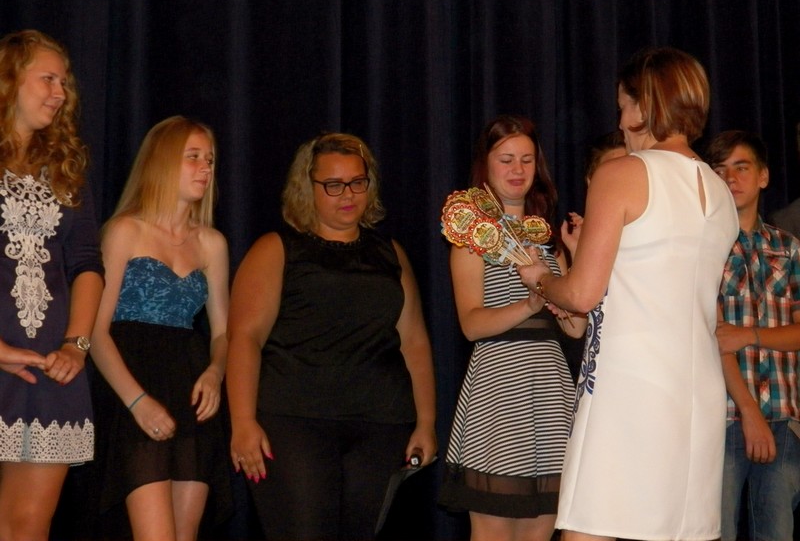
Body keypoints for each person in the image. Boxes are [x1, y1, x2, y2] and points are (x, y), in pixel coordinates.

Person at [518, 47, 739, 541]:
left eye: (624, 106)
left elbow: (581, 294)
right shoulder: (720, 190)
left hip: (629, 383)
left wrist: (540, 277)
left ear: (646, 104)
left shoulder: (622, 173)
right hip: (698, 390)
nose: (620, 122)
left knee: (590, 529)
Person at [226, 132, 437, 541]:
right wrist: (243, 422)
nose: (349, 194)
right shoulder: (277, 249)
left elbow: (414, 342)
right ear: (307, 187)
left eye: (358, 182)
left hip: (380, 423)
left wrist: (426, 422)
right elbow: (245, 338)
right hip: (294, 422)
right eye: (334, 185)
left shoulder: (389, 253)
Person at [438, 115, 587, 541]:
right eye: (506, 160)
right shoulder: (471, 241)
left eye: (526, 159)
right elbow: (471, 325)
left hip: (550, 391)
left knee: (541, 529)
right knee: (493, 530)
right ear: (485, 165)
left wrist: (576, 259)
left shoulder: (550, 241)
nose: (518, 169)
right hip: (500, 389)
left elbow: (575, 329)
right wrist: (530, 302)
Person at [89, 115, 230, 540]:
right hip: (134, 382)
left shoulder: (212, 243)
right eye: (193, 157)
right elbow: (95, 331)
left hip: (190, 389)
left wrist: (215, 372)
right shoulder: (124, 231)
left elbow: (223, 332)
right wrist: (137, 402)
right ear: (163, 161)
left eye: (209, 160)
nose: (205, 168)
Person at [0, 29, 104, 540]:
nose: (59, 92)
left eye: (64, 83)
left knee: (28, 524)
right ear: (9, 80)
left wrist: (75, 346)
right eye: (47, 79)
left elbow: (87, 263)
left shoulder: (66, 169)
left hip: (48, 369)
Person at [705, 130, 800, 541]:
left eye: (741, 168)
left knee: (776, 533)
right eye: (720, 170)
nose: (730, 178)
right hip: (721, 416)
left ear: (763, 176)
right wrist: (749, 413)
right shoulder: (703, 249)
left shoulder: (788, 248)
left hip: (783, 414)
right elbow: (714, 337)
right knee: (716, 531)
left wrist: (750, 335)